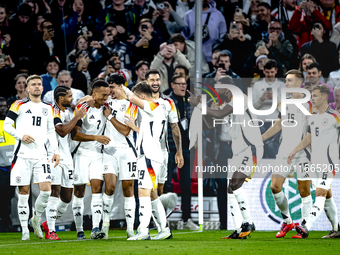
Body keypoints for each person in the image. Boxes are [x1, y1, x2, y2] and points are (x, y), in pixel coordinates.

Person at [187, 75, 263, 239]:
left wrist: (201, 105)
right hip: (237, 151)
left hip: (249, 149)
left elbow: (220, 114)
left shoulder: (240, 98)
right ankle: (238, 229)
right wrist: (202, 109)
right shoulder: (229, 103)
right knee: (231, 188)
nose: (215, 87)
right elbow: (211, 122)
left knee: (235, 184)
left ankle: (248, 222)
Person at [125, 70, 184, 235]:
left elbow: (174, 127)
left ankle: (153, 227)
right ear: (147, 81)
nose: (156, 82)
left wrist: (178, 151)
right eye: (152, 79)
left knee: (153, 190)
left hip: (160, 153)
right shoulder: (140, 104)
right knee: (150, 191)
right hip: (147, 151)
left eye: (158, 79)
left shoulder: (166, 103)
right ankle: (160, 227)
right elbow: (139, 127)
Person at [3, 75, 60, 241]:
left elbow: (51, 131)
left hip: (41, 155)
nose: (36, 87)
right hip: (22, 156)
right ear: (27, 88)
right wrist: (21, 135)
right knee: (23, 193)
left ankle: (35, 218)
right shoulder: (19, 104)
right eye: (33, 84)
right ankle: (25, 232)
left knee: (46, 191)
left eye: (39, 84)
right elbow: (7, 125)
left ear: (42, 88)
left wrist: (55, 151)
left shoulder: (48, 107)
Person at [262, 70, 314, 238]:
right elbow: (278, 125)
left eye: (289, 81)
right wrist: (260, 138)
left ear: (299, 84)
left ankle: (304, 227)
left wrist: (298, 149)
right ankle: (287, 221)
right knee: (275, 186)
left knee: (304, 191)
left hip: (303, 153)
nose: (286, 84)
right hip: (284, 151)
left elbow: (311, 133)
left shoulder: (309, 104)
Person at [288, 85, 340, 239]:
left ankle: (306, 227)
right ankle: (337, 229)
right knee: (327, 195)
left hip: (328, 164)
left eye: (315, 96)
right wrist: (294, 151)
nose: (312, 99)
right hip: (315, 163)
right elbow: (308, 139)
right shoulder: (313, 117)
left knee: (319, 193)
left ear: (324, 97)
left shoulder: (335, 116)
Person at [120, 82, 167, 240]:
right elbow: (148, 134)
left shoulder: (153, 106)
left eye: (137, 97)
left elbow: (132, 97)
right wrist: (134, 127)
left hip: (149, 156)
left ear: (142, 97)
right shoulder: (152, 112)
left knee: (143, 192)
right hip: (149, 155)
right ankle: (165, 229)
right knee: (152, 194)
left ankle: (143, 231)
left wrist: (122, 87)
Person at [41, 85, 87, 240]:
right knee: (54, 191)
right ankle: (52, 231)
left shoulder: (66, 112)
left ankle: (47, 223)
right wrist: (76, 117)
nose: (72, 98)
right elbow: (61, 131)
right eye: (69, 96)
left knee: (67, 197)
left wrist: (79, 118)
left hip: (67, 157)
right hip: (53, 156)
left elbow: (72, 134)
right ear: (61, 98)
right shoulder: (52, 111)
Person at [71, 79, 111, 240]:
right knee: (79, 192)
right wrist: (96, 137)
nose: (106, 98)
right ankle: (79, 230)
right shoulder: (83, 108)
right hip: (81, 154)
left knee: (97, 189)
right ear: (93, 94)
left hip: (97, 155)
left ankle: (95, 228)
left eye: (107, 95)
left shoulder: (106, 108)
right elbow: (75, 135)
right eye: (103, 95)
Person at [101, 74, 138, 239]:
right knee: (109, 187)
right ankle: (105, 226)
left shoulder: (132, 105)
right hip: (108, 150)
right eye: (108, 87)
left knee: (128, 189)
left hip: (127, 150)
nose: (110, 90)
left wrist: (109, 117)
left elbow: (125, 130)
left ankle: (130, 228)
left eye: (112, 87)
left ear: (121, 86)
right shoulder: (106, 102)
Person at [165, 74, 199, 230]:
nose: (183, 87)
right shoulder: (166, 102)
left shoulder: (189, 102)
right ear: (172, 85)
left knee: (186, 184)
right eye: (179, 84)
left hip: (186, 148)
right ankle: (162, 218)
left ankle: (187, 219)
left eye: (185, 84)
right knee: (166, 184)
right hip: (169, 147)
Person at [252, 59, 285, 158]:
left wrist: (276, 98)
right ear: (263, 71)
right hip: (260, 121)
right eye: (267, 72)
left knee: (273, 150)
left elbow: (286, 108)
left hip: (275, 121)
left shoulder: (282, 85)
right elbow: (251, 107)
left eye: (272, 72)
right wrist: (261, 99)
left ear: (276, 70)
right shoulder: (257, 85)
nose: (270, 74)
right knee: (259, 150)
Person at [0, 97, 15, 232]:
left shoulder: (13, 123)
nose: (3, 108)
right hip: (1, 168)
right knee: (2, 198)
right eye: (0, 106)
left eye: (5, 106)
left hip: (14, 167)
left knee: (9, 198)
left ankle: (8, 224)